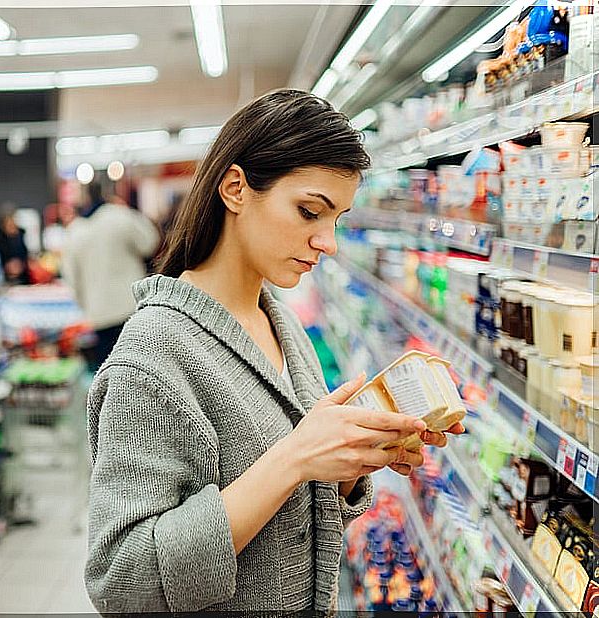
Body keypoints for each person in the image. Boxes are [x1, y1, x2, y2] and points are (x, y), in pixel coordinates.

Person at [84, 90, 465, 614]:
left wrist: (348, 464)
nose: (327, 242)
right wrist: (293, 457)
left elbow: (286, 529)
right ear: (236, 188)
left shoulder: (281, 323)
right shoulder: (153, 355)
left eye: (337, 219)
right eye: (310, 211)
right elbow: (120, 582)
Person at [61, 193, 159, 370]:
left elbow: (71, 279)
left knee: (108, 374)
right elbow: (150, 242)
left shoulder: (74, 232)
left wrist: (85, 306)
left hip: (99, 315)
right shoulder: (119, 216)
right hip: (132, 307)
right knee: (141, 369)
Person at [0, 208, 30, 285]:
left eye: (12, 221)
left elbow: (27, 256)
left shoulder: (22, 237)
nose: (11, 225)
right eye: (8, 223)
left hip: (24, 278)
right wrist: (7, 267)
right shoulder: (0, 241)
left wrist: (21, 265)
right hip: (6, 280)